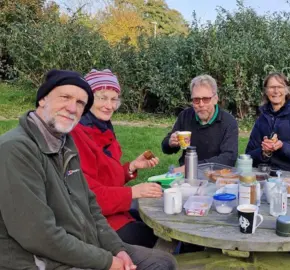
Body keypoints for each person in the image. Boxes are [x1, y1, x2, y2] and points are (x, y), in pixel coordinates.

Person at [0, 69, 177, 269]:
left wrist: (117, 249)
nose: (71, 108)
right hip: (42, 260)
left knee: (163, 261)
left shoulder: (65, 143)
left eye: (80, 103)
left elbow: (90, 204)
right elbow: (38, 235)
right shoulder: (16, 149)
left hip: (83, 240)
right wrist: (108, 262)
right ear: (42, 99)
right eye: (65, 97)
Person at [70, 69, 162, 248]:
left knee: (158, 220)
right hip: (96, 225)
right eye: (102, 98)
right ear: (87, 99)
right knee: (162, 238)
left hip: (116, 213)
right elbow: (89, 197)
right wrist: (134, 192)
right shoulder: (77, 135)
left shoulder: (102, 128)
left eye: (113, 99)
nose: (109, 105)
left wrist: (131, 167)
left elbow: (105, 178)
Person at [162, 75, 239, 171]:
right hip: (186, 176)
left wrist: (192, 167)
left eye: (206, 99)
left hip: (216, 176)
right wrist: (170, 143)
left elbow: (229, 158)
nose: (201, 104)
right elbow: (165, 148)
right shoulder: (185, 116)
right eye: (196, 100)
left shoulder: (228, 122)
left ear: (215, 99)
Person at [245, 72, 290, 173]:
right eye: (272, 87)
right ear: (266, 91)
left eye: (280, 87)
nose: (276, 91)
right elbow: (248, 156)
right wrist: (264, 152)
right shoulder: (261, 120)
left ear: (287, 90)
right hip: (264, 176)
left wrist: (283, 146)